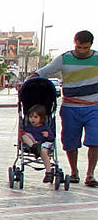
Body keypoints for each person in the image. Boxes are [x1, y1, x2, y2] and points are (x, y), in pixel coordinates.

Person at [33, 30, 98, 186]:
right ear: (74, 43)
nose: (81, 51)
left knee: (95, 140)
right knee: (70, 142)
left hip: (93, 107)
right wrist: (31, 80)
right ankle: (74, 172)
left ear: (91, 45)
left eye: (85, 48)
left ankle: (90, 174)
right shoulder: (64, 58)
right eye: (78, 47)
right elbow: (44, 72)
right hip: (70, 107)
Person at [21, 104, 56, 183]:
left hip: (43, 144)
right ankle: (35, 146)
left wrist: (48, 135)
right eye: (30, 117)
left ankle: (48, 172)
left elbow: (52, 138)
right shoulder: (28, 127)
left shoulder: (45, 127)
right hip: (32, 144)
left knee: (43, 151)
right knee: (24, 136)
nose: (32, 119)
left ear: (42, 118)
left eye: (36, 117)